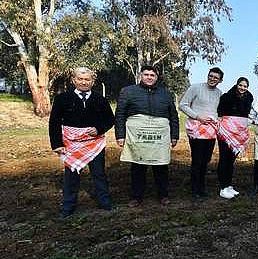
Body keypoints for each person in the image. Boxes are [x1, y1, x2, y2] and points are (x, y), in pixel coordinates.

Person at [49, 67, 115, 218]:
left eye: (87, 79)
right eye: (80, 79)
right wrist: (57, 144)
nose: (84, 82)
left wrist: (99, 129)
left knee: (99, 174)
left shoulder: (100, 99)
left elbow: (110, 120)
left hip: (95, 144)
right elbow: (54, 122)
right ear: (74, 80)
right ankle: (68, 207)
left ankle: (105, 203)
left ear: (92, 81)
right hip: (70, 144)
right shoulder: (62, 99)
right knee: (71, 176)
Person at [115, 65, 179, 206]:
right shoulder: (128, 91)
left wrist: (175, 136)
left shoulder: (166, 94)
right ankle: (136, 197)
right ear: (140, 75)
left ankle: (163, 195)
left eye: (152, 75)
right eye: (146, 74)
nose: (149, 77)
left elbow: (173, 116)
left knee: (161, 166)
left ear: (156, 77)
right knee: (138, 166)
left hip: (160, 138)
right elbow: (120, 114)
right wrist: (120, 135)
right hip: (137, 138)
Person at [179, 67, 223, 202]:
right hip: (196, 129)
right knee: (197, 159)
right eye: (211, 76)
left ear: (220, 80)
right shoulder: (195, 88)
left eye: (216, 77)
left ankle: (202, 188)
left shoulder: (219, 93)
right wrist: (198, 117)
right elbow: (183, 105)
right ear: (207, 75)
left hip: (211, 132)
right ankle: (194, 189)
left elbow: (219, 111)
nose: (212, 79)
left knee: (206, 160)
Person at [216, 77, 254, 199]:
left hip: (239, 133)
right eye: (241, 85)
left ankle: (228, 185)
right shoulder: (226, 96)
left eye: (245, 86)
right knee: (224, 159)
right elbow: (220, 112)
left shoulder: (249, 97)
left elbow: (246, 114)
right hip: (226, 132)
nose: (242, 88)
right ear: (236, 84)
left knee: (231, 160)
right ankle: (223, 187)